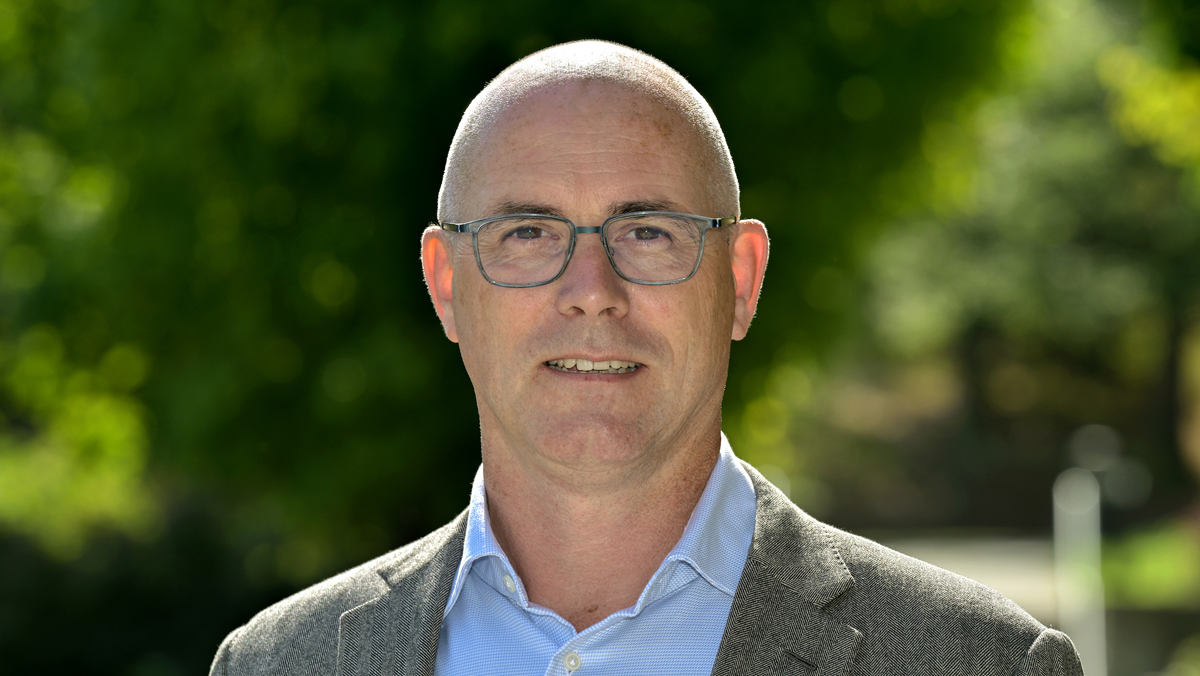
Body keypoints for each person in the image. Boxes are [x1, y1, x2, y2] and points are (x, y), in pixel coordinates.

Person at [209, 40, 1083, 676]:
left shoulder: (984, 663)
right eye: (527, 232)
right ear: (446, 284)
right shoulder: (277, 663)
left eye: (649, 231)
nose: (592, 289)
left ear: (740, 281)